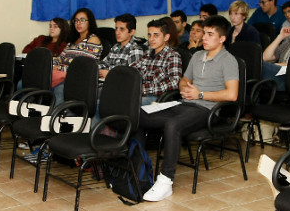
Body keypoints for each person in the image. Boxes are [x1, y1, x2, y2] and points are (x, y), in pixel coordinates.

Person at [138, 16, 239, 201]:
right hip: (185, 104)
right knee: (139, 115)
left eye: (210, 34)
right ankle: (137, 169)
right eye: (204, 33)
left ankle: (165, 181)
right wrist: (185, 89)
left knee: (173, 125)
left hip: (207, 110)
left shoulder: (228, 60)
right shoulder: (198, 56)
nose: (204, 38)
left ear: (222, 39)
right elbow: (183, 81)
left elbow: (232, 94)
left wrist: (200, 95)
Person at [52, 8, 103, 101]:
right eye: (76, 20)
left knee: (59, 89)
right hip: (64, 76)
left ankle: (58, 115)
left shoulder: (93, 39)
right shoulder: (72, 41)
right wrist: (47, 64)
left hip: (80, 80)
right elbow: (60, 59)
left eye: (82, 20)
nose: (78, 23)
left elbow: (83, 67)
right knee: (25, 82)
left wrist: (59, 68)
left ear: (89, 22)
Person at [133, 19, 183, 105]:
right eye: (149, 35)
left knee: (128, 104)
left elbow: (174, 82)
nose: (151, 39)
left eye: (156, 35)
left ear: (166, 37)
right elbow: (133, 69)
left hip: (158, 97)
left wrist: (145, 89)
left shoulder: (172, 56)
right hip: (141, 93)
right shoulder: (148, 54)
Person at [98, 13, 144, 78]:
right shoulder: (115, 47)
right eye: (116, 28)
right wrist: (95, 68)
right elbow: (104, 64)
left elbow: (132, 77)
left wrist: (110, 74)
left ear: (132, 32)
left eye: (122, 29)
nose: (117, 32)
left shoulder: (135, 50)